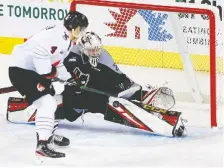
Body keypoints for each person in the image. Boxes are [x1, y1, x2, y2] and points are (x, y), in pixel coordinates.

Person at [61, 31, 185, 137]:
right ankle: (146, 113)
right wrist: (74, 82)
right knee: (75, 110)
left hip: (92, 88)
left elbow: (116, 74)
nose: (95, 53)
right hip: (74, 95)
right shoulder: (72, 55)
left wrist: (129, 86)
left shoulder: (103, 55)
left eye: (97, 49)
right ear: (83, 48)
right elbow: (64, 73)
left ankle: (143, 96)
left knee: (109, 96)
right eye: (91, 50)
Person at [8, 11, 89, 158]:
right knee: (47, 103)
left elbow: (56, 63)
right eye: (82, 28)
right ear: (75, 28)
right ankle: (42, 145)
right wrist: (47, 78)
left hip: (31, 70)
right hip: (21, 71)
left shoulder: (66, 38)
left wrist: (70, 79)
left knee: (59, 98)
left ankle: (48, 134)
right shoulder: (59, 36)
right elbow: (40, 53)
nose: (82, 32)